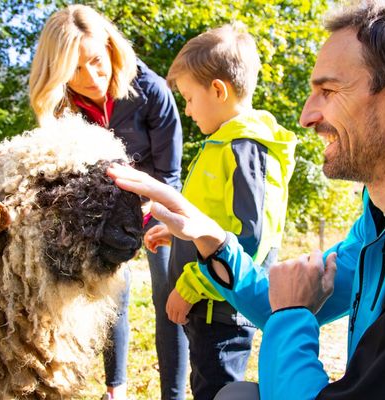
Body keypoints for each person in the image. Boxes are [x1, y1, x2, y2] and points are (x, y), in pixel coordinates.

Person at [107, 1, 385, 399]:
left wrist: (292, 316)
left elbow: (288, 310)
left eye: (328, 91)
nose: (307, 115)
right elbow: (278, 299)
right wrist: (212, 239)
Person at [28, 5, 187, 400]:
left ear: (111, 47)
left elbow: (168, 173)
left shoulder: (151, 90)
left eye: (96, 62)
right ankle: (116, 388)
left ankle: (175, 394)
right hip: (98, 214)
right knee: (110, 294)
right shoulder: (63, 104)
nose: (92, 79)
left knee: (168, 292)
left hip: (154, 204)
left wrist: (146, 215)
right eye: (75, 70)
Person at [143, 23, 297, 400]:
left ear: (218, 90)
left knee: (218, 390)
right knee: (206, 385)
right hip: (207, 307)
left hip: (220, 309)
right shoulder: (223, 143)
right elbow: (211, 218)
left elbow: (250, 241)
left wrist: (192, 285)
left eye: (190, 98)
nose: (188, 110)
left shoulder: (245, 149)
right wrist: (177, 233)